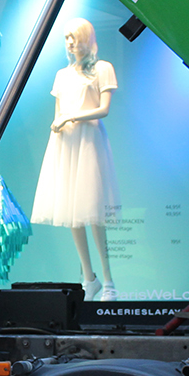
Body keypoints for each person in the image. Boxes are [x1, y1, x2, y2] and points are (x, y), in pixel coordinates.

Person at [31, 17, 122, 300]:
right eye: (66, 38)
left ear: (84, 37)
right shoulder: (61, 75)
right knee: (72, 212)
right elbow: (58, 110)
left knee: (92, 210)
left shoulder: (102, 69)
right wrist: (58, 122)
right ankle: (88, 277)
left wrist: (70, 116)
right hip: (66, 143)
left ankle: (108, 281)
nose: (69, 43)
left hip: (89, 141)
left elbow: (103, 109)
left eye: (73, 37)